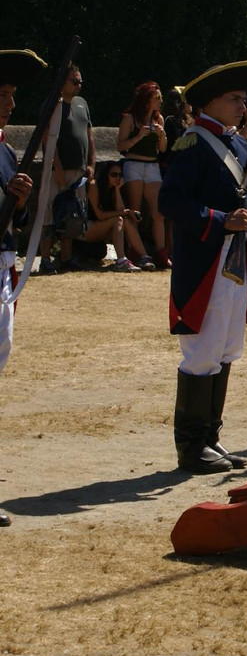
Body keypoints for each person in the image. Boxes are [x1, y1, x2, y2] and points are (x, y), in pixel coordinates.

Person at [159, 59, 247, 474]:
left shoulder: (240, 143)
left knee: (227, 348)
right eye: (234, 98)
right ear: (208, 102)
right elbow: (172, 202)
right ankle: (191, 446)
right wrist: (218, 219)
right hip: (206, 260)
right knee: (203, 351)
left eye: (243, 99)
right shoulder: (193, 144)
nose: (242, 105)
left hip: (234, 261)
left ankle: (210, 436)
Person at [0, 49, 45, 526]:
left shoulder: (5, 148)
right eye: (3, 94)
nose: (10, 104)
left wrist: (21, 199)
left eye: (12, 95)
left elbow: (16, 218)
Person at [38, 64, 95, 274]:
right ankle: (45, 258)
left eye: (80, 81)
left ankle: (66, 257)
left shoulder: (82, 104)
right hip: (56, 171)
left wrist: (91, 164)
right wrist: (58, 168)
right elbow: (47, 139)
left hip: (79, 171)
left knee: (73, 215)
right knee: (49, 214)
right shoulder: (52, 105)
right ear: (62, 82)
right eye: (74, 81)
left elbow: (89, 136)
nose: (79, 85)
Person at [117, 81, 170, 268]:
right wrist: (138, 136)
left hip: (152, 165)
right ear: (147, 100)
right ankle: (137, 251)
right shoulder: (130, 119)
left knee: (158, 213)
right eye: (157, 98)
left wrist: (162, 136)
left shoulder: (159, 119)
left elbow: (162, 149)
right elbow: (120, 146)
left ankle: (161, 252)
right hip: (134, 164)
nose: (160, 101)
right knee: (135, 211)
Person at [85, 160, 153, 272]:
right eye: (113, 175)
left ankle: (144, 257)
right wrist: (125, 212)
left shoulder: (112, 189)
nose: (117, 178)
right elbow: (100, 215)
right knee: (119, 219)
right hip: (87, 228)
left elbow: (120, 210)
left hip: (102, 227)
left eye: (120, 175)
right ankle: (121, 261)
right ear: (105, 175)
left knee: (124, 219)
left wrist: (117, 189)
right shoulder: (94, 186)